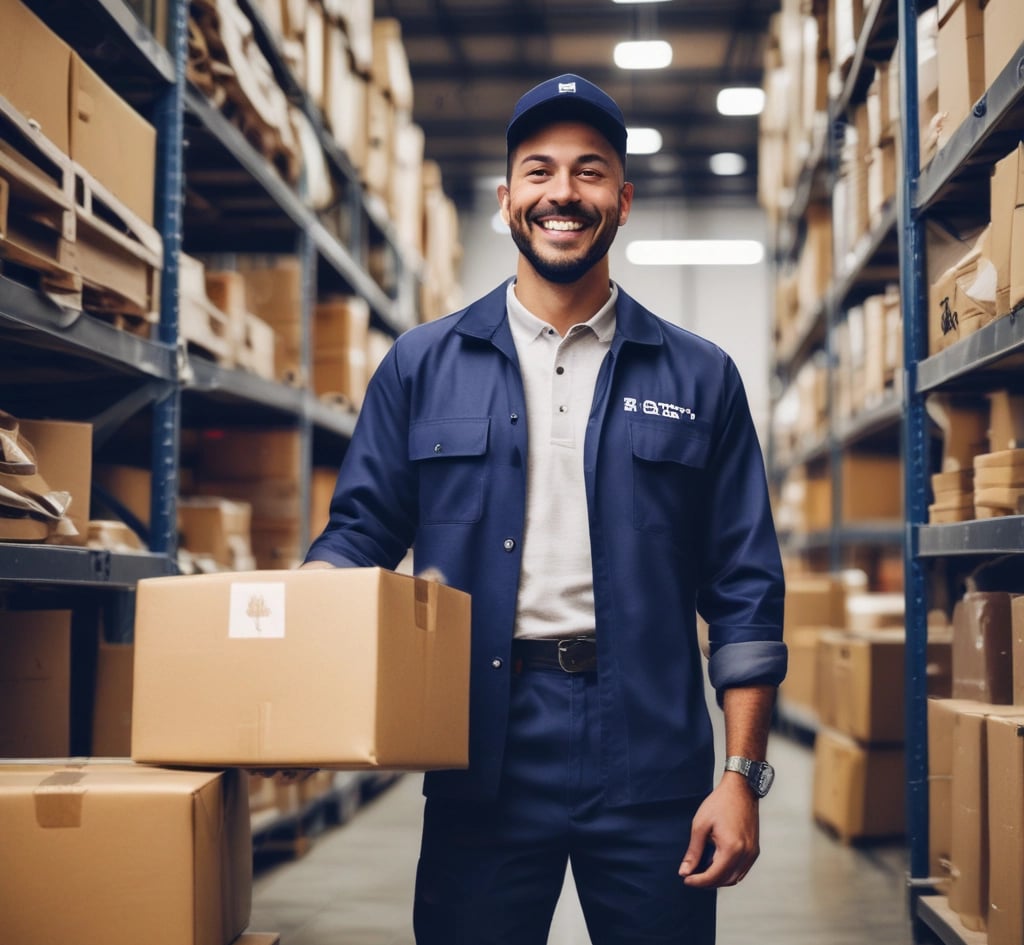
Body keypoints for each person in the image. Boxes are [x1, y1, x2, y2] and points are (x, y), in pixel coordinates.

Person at [303, 73, 786, 945]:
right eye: (539, 171)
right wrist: (289, 630)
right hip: (481, 744)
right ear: (506, 199)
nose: (563, 192)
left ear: (624, 200)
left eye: (590, 171)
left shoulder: (700, 375)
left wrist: (742, 774)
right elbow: (361, 531)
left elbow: (746, 587)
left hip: (650, 748)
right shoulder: (421, 365)